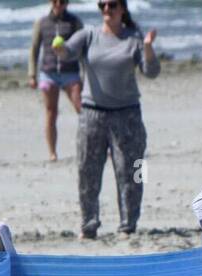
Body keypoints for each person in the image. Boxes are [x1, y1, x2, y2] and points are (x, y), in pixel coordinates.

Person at [66, 0, 159, 238]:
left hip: (127, 114)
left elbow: (151, 72)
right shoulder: (88, 35)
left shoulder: (134, 38)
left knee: (132, 171)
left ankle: (128, 225)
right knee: (87, 170)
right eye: (102, 5)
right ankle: (89, 224)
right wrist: (57, 47)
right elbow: (65, 52)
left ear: (122, 9)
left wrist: (148, 47)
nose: (107, 9)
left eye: (112, 5)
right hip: (92, 113)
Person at [29, 0, 85, 162]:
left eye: (63, 1)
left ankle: (89, 146)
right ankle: (52, 153)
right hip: (49, 73)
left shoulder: (75, 22)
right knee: (51, 113)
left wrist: (87, 74)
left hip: (71, 72)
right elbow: (34, 49)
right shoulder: (41, 23)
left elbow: (83, 49)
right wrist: (32, 75)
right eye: (56, 1)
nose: (59, 4)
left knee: (83, 111)